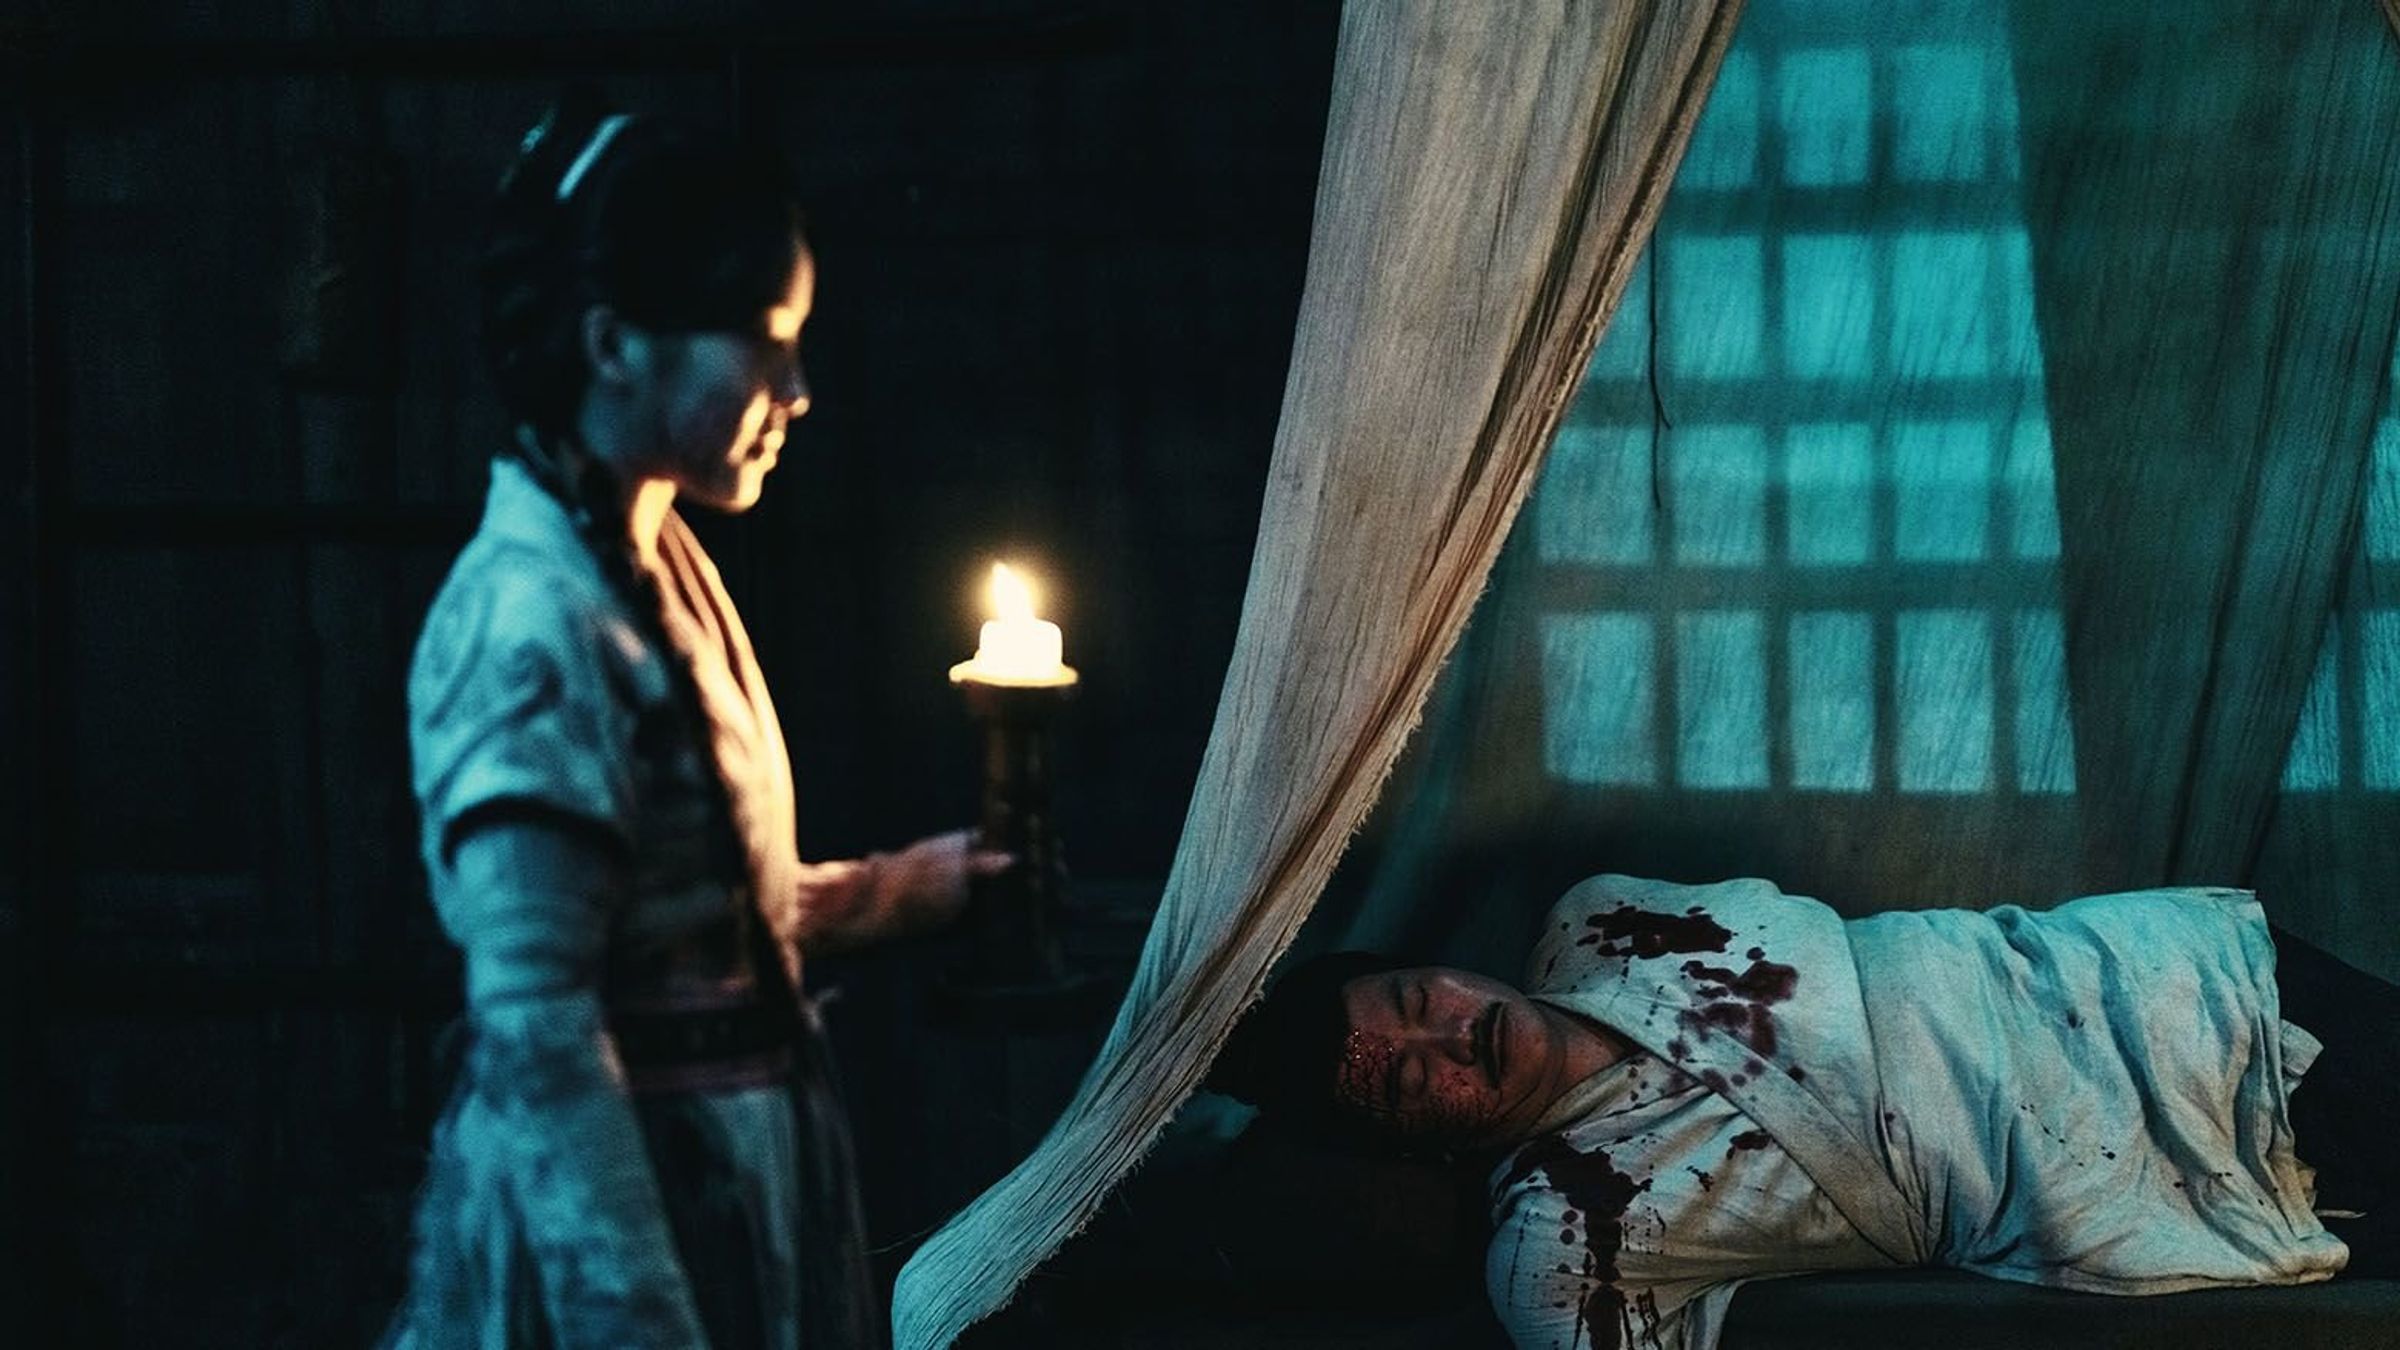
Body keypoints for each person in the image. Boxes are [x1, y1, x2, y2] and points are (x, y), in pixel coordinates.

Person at [381, 92, 1005, 1350]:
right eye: (768, 344)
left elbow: (679, 921)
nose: (798, 391)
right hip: (621, 1245)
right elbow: (542, 1032)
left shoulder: (654, 564)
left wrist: (892, 895)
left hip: (723, 1209)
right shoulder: (528, 627)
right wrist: (637, 1323)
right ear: (616, 346)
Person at [1212, 873, 2400, 1350]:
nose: (1451, 1035)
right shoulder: (1565, 1244)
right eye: (1410, 1080)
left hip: (2166, 973)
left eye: (1416, 1000)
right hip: (2185, 1161)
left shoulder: (1600, 919)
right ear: (1409, 1146)